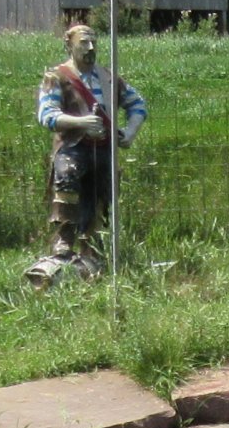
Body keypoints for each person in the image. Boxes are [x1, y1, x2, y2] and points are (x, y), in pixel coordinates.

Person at [30, 17, 148, 282]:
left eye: (94, 41)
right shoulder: (56, 77)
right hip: (73, 147)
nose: (91, 47)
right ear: (70, 45)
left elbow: (138, 104)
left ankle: (92, 245)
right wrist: (80, 123)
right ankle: (63, 240)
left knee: (103, 193)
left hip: (104, 149)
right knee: (67, 177)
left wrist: (129, 132)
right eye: (84, 42)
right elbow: (46, 115)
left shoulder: (108, 77)